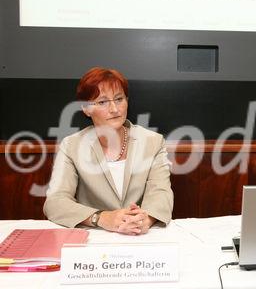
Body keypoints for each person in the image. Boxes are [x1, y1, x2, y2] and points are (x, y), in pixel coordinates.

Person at [44, 67, 174, 235]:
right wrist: (103, 218)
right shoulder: (71, 146)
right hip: (94, 237)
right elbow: (55, 202)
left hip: (140, 236)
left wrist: (145, 219)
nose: (114, 109)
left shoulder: (153, 142)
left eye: (119, 99)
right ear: (85, 108)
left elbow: (161, 192)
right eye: (103, 102)